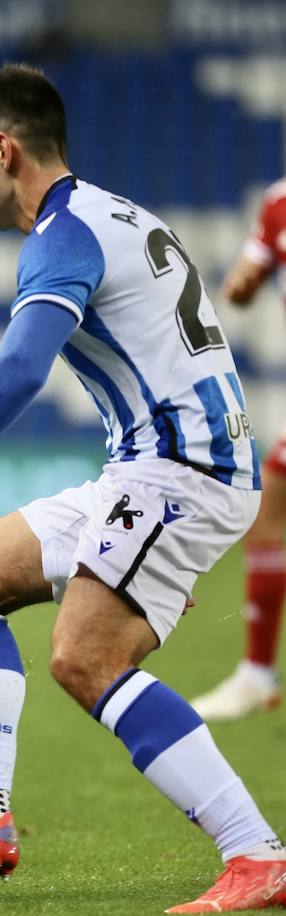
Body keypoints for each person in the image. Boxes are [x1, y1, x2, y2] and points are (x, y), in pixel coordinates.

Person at [0, 64, 286, 912]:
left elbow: (17, 372)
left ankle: (257, 854)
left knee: (86, 657)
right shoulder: (118, 214)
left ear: (6, 150)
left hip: (179, 471)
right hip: (157, 467)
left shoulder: (63, 234)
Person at [190, 179, 286, 722]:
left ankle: (256, 673)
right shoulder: (276, 205)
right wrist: (246, 283)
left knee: (270, 512)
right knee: (269, 514)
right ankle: (255, 673)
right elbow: (240, 287)